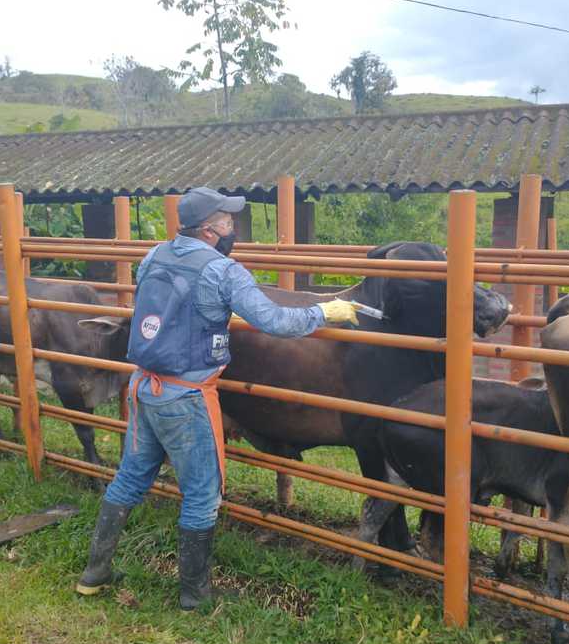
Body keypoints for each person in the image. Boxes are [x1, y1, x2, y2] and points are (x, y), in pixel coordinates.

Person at [76, 186, 359, 609]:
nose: (234, 228)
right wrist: (324, 312)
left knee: (131, 478)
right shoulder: (223, 271)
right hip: (186, 397)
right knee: (203, 494)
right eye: (228, 222)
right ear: (209, 230)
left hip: (144, 387)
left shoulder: (154, 256)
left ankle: (94, 574)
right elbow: (273, 320)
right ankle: (194, 594)